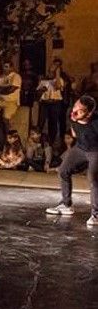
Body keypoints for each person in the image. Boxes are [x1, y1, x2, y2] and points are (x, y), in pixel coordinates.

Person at [46, 95, 98, 225]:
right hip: (80, 148)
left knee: (93, 179)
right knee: (63, 170)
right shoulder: (72, 114)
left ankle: (96, 215)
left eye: (80, 110)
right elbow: (75, 133)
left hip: (95, 151)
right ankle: (66, 204)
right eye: (75, 106)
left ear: (89, 113)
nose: (75, 111)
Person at [0, 62, 22, 127]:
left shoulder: (16, 76)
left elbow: (11, 90)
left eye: (6, 67)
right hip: (0, 100)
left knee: (5, 119)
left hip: (11, 102)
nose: (4, 68)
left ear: (11, 68)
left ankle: (8, 134)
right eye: (4, 67)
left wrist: (0, 90)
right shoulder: (2, 77)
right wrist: (4, 89)